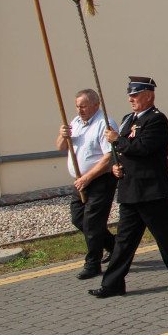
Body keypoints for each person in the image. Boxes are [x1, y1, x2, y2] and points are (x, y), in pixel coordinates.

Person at [89, 77, 168, 298]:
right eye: (130, 95)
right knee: (123, 242)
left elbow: (143, 148)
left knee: (166, 237)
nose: (130, 99)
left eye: (135, 95)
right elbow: (124, 153)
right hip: (129, 190)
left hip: (151, 191)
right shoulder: (128, 119)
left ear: (149, 95)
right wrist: (116, 165)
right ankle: (112, 284)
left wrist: (117, 140)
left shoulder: (157, 120)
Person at [57, 89, 117, 280]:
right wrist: (62, 135)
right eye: (77, 106)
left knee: (92, 223)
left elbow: (108, 158)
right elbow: (61, 147)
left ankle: (93, 264)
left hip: (100, 180)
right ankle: (114, 245)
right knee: (78, 219)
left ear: (95, 105)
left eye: (83, 106)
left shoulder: (104, 124)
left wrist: (88, 177)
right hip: (80, 181)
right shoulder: (75, 123)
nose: (79, 110)